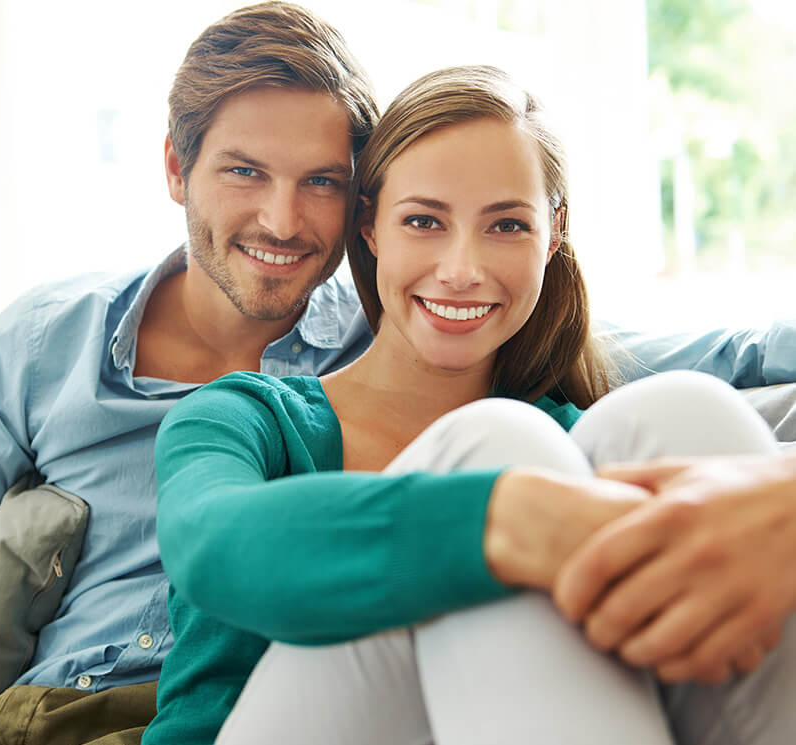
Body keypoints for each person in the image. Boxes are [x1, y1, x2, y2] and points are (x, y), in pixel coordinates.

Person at [146, 65, 795, 745]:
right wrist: (503, 518)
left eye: (506, 225)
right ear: (369, 227)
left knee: (685, 416)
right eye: (423, 220)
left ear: (553, 234)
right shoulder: (249, 417)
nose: (461, 268)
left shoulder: (578, 436)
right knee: (491, 445)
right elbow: (207, 542)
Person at [0, 3, 377, 743]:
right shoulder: (46, 341)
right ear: (176, 167)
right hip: (49, 715)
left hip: (262, 718)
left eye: (321, 182)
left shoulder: (387, 345)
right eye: (244, 171)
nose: (284, 220)